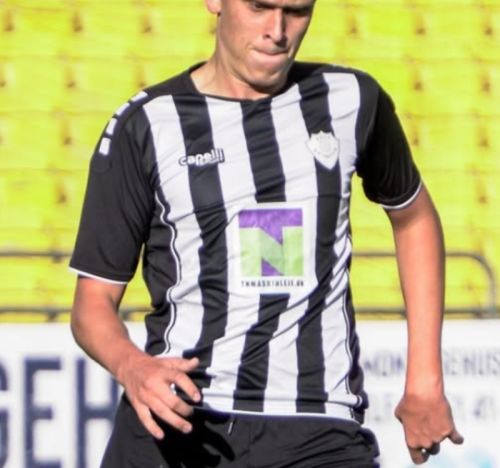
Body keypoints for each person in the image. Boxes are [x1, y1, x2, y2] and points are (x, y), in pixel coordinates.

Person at [69, 0, 464, 466]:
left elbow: (413, 217)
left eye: (296, 11)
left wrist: (425, 381)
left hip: (318, 426)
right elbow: (92, 305)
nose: (277, 30)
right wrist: (132, 366)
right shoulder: (147, 125)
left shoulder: (351, 100)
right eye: (259, 6)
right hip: (183, 415)